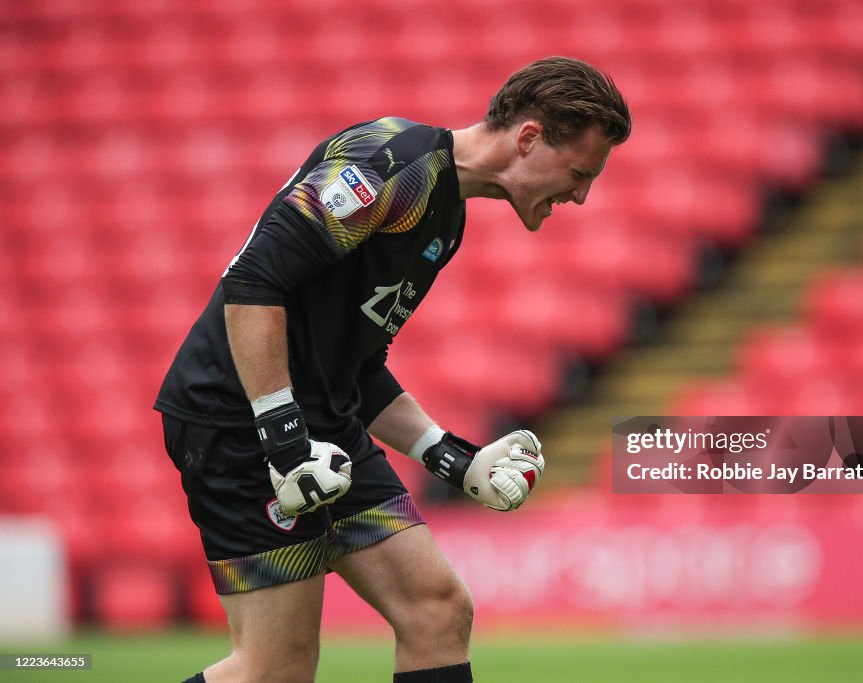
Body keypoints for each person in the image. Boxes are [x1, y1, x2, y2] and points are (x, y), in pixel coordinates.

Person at [155, 55, 631, 683]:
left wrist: (450, 457)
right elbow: (251, 283)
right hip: (237, 421)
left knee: (437, 610)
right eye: (578, 172)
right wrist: (283, 438)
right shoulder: (387, 168)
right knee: (275, 671)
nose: (581, 194)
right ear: (529, 138)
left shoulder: (446, 216)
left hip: (321, 426)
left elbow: (356, 365)